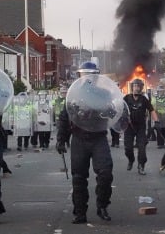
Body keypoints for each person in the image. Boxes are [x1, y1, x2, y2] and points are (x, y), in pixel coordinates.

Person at [56, 61, 113, 224]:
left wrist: (110, 111)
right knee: (79, 177)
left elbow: (111, 111)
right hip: (79, 138)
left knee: (105, 173)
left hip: (98, 137)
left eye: (91, 75)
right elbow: (65, 117)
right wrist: (61, 139)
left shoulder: (103, 93)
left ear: (96, 76)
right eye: (84, 74)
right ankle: (80, 212)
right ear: (79, 76)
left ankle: (102, 205)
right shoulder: (73, 94)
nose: (88, 78)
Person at [123, 78, 158, 175]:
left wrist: (157, 121)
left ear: (141, 87)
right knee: (128, 148)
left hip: (141, 127)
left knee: (142, 148)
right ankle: (131, 160)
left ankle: (141, 166)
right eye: (135, 86)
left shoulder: (144, 99)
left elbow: (151, 110)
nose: (136, 88)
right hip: (129, 127)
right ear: (132, 87)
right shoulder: (126, 98)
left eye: (138, 86)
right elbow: (120, 109)